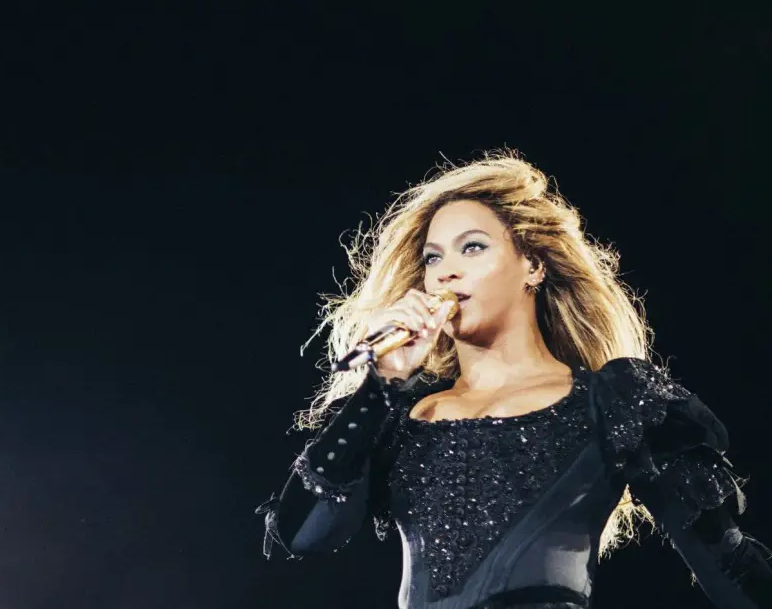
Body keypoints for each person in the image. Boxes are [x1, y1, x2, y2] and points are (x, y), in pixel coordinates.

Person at [257, 150, 770, 609]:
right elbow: (304, 536)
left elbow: (727, 569)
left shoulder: (614, 401)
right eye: (433, 257)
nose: (445, 272)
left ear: (533, 266)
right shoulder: (404, 415)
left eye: (472, 248)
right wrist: (382, 385)